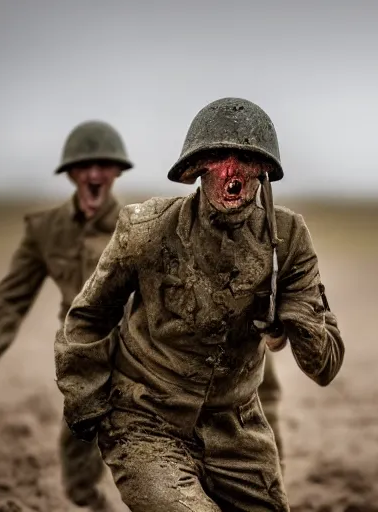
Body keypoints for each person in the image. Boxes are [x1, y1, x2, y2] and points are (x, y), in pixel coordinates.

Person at [54, 97, 345, 511]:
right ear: (196, 169)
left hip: (237, 433)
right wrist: (85, 402)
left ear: (263, 170)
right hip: (145, 421)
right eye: (217, 157)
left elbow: (326, 365)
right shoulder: (147, 229)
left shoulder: (289, 240)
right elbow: (88, 317)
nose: (231, 171)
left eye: (245, 158)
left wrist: (297, 320)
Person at [0, 120, 131, 511]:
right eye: (85, 165)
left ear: (116, 171)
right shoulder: (45, 231)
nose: (95, 174)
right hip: (82, 362)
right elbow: (10, 298)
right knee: (79, 478)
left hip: (138, 355)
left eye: (104, 165)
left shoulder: (138, 224)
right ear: (70, 173)